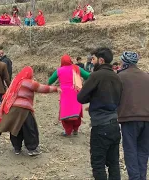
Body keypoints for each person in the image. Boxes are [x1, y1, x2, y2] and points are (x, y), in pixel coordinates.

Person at [77, 47, 122, 180]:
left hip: (100, 126)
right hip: (115, 125)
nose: (92, 61)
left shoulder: (96, 76)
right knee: (114, 163)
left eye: (94, 59)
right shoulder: (117, 77)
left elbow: (81, 98)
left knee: (98, 164)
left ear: (101, 60)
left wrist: (92, 97)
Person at [0, 66, 59, 156]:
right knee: (30, 128)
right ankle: (32, 149)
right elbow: (43, 88)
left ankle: (17, 148)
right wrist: (55, 89)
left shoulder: (15, 81)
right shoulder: (29, 82)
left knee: (15, 128)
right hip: (24, 109)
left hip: (12, 108)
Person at [117, 52, 149, 180]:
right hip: (147, 118)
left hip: (129, 118)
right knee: (143, 151)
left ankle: (135, 178)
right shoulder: (146, 76)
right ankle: (142, 177)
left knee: (131, 151)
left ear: (124, 62)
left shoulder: (120, 77)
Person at [48, 54, 90, 136]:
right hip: (76, 93)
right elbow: (88, 76)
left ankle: (67, 131)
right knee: (76, 111)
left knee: (66, 112)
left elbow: (50, 81)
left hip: (64, 94)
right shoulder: (77, 68)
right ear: (70, 61)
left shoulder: (59, 70)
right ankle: (75, 129)